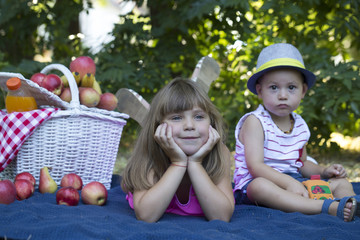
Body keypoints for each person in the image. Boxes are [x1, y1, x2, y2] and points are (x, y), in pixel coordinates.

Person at [233, 43, 359, 222]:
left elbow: (301, 163)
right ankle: (324, 207)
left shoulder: (299, 124)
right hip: (261, 184)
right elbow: (256, 167)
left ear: (303, 91)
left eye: (291, 87)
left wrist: (324, 171)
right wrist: (289, 183)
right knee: (259, 187)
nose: (282, 95)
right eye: (274, 87)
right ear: (260, 91)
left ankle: (349, 204)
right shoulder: (255, 121)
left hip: (295, 182)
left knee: (342, 183)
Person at [121, 77, 234, 223]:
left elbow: (221, 216)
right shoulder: (151, 151)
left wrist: (195, 163)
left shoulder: (219, 152)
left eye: (199, 117)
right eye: (176, 118)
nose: (189, 125)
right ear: (158, 126)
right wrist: (178, 163)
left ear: (211, 122)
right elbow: (146, 216)